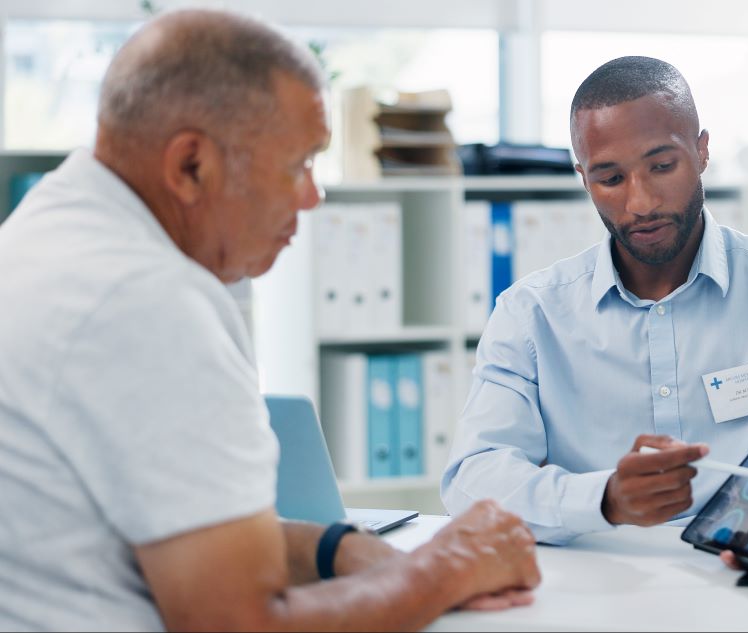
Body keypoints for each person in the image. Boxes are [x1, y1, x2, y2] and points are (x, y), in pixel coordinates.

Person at [0, 10, 539, 631]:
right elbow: (244, 624)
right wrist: (447, 568)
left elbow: (177, 525)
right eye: (299, 164)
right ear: (191, 167)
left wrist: (334, 547)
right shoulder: (150, 300)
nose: (314, 196)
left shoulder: (53, 228)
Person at [442, 56, 748, 545]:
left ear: (702, 151)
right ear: (582, 178)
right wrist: (604, 499)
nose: (640, 203)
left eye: (662, 166)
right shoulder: (529, 315)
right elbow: (473, 481)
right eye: (611, 179)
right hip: (590, 600)